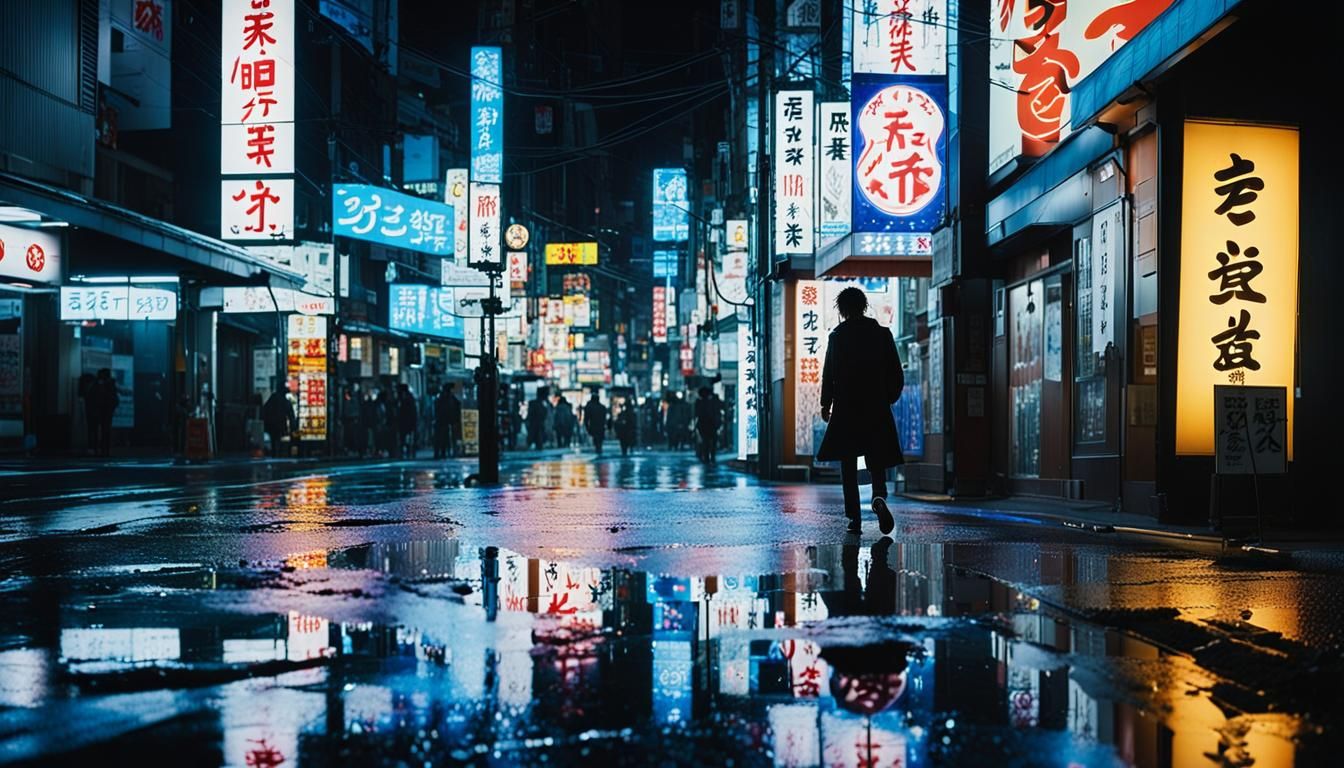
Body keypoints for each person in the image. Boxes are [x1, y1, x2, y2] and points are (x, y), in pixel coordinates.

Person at [816, 286, 904, 535]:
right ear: (864, 306)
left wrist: (826, 403)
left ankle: (854, 516)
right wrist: (887, 397)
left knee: (848, 460)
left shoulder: (838, 337)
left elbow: (829, 374)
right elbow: (896, 373)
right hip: (876, 406)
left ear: (842, 310)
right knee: (877, 456)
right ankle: (878, 496)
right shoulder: (882, 334)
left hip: (847, 408)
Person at [90, 368, 120, 457]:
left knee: (98, 430)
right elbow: (115, 399)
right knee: (105, 431)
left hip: (100, 410)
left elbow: (92, 396)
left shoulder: (98, 384)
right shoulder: (110, 384)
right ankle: (104, 450)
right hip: (106, 411)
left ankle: (98, 449)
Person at [262, 384, 296, 457]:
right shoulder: (285, 401)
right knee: (279, 439)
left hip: (271, 424)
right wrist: (293, 426)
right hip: (280, 424)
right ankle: (278, 453)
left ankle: (274, 453)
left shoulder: (272, 398)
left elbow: (265, 409)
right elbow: (291, 415)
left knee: (274, 439)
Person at [694, 387, 722, 464]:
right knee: (712, 441)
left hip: (704, 425)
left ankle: (706, 457)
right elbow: (716, 413)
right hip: (711, 424)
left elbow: (696, 414)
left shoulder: (699, 402)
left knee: (705, 441)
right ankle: (711, 456)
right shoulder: (712, 402)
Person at [434, 383, 462, 459]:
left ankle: (443, 453)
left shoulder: (442, 398)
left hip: (444, 421)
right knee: (445, 438)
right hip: (447, 421)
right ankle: (445, 453)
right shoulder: (450, 398)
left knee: (443, 438)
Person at [583, 389, 609, 457]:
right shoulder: (602, 407)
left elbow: (586, 418)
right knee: (599, 441)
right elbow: (605, 418)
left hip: (593, 426)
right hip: (601, 426)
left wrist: (587, 427)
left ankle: (598, 450)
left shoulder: (589, 407)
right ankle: (599, 450)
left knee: (596, 440)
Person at [397, 383, 418, 458]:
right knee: (407, 438)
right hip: (407, 421)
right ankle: (408, 452)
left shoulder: (406, 399)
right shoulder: (408, 398)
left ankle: (408, 452)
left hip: (407, 421)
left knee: (406, 438)